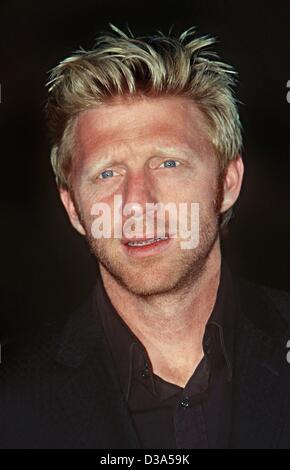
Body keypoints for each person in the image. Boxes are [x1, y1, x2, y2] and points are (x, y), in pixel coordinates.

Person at [1, 25, 289, 449]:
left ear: (228, 182)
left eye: (168, 164)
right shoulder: (12, 397)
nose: (137, 203)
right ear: (73, 208)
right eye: (107, 172)